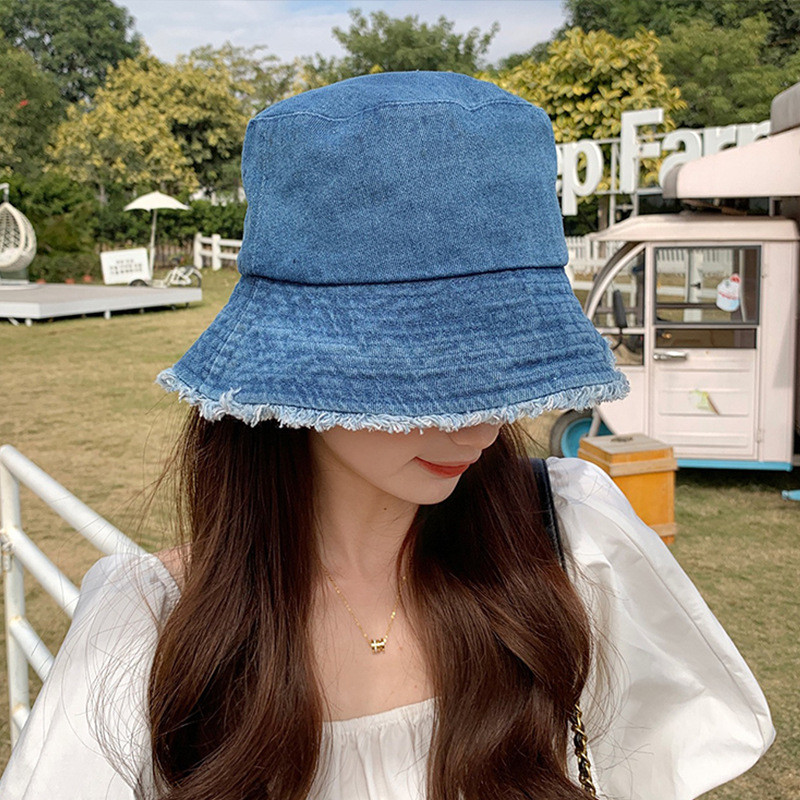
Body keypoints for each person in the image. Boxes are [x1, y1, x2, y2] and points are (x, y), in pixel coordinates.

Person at [0, 71, 774, 800]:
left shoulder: (572, 542)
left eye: (505, 362)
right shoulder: (151, 628)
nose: (481, 420)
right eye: (420, 369)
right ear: (296, 359)